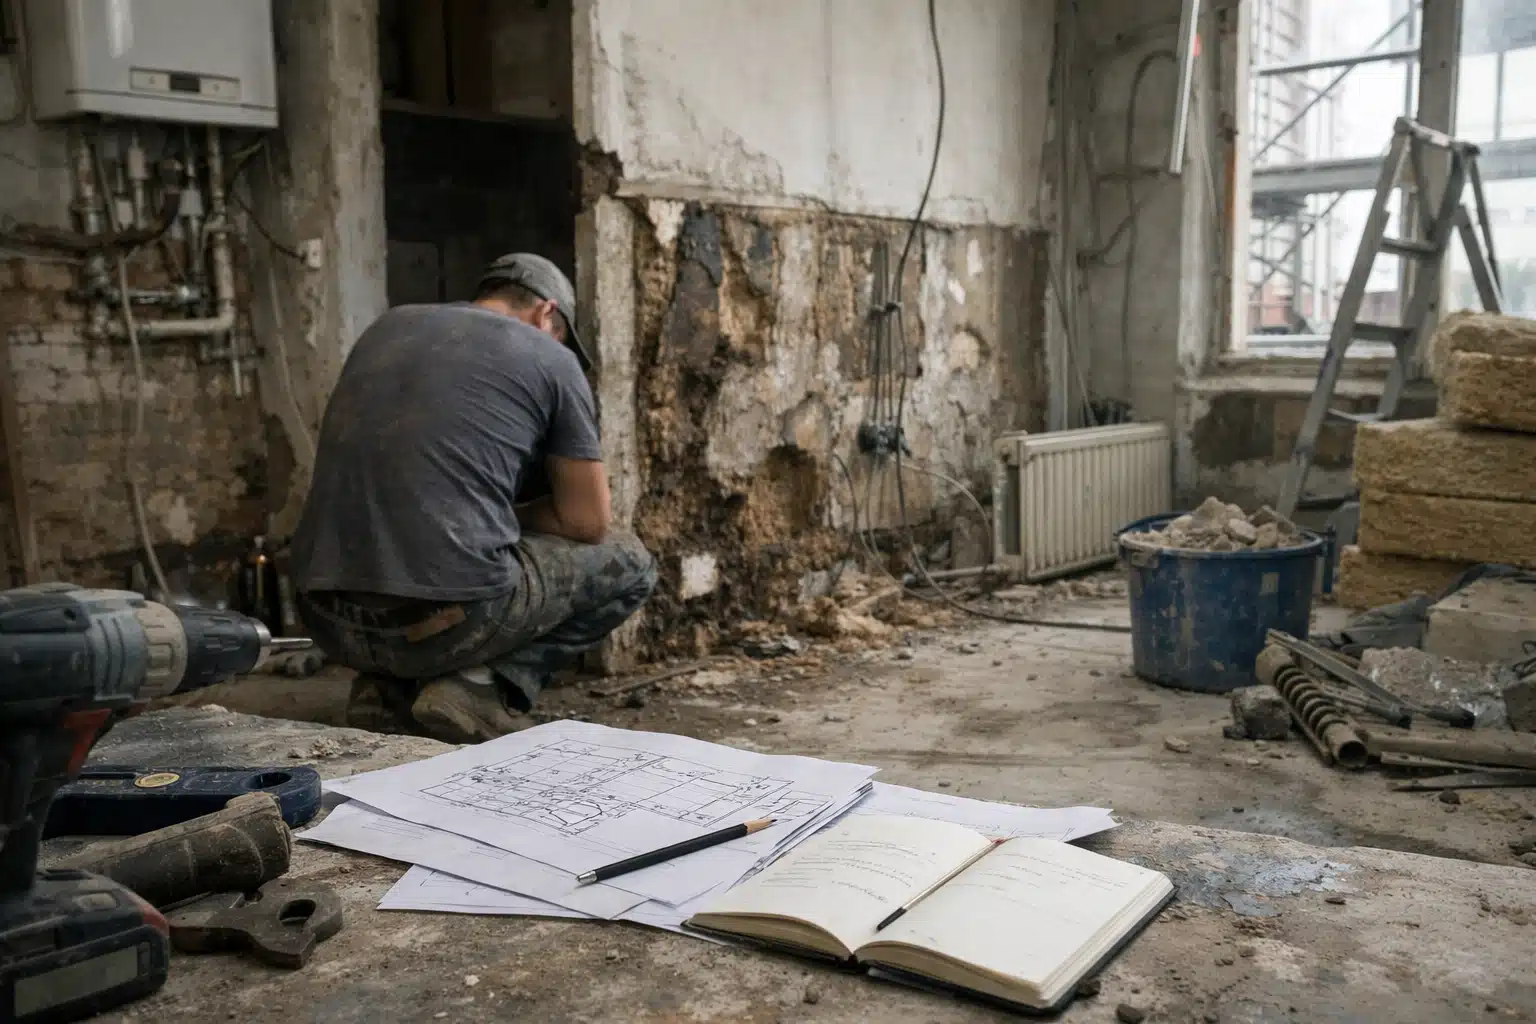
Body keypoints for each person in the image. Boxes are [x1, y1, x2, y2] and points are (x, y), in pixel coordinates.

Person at [290, 253, 657, 742]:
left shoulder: (388, 326)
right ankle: (476, 687)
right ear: (547, 314)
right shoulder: (551, 357)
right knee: (631, 562)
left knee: (410, 557)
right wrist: (506, 513)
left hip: (324, 619)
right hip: (443, 626)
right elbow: (588, 521)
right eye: (562, 332)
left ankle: (383, 693)